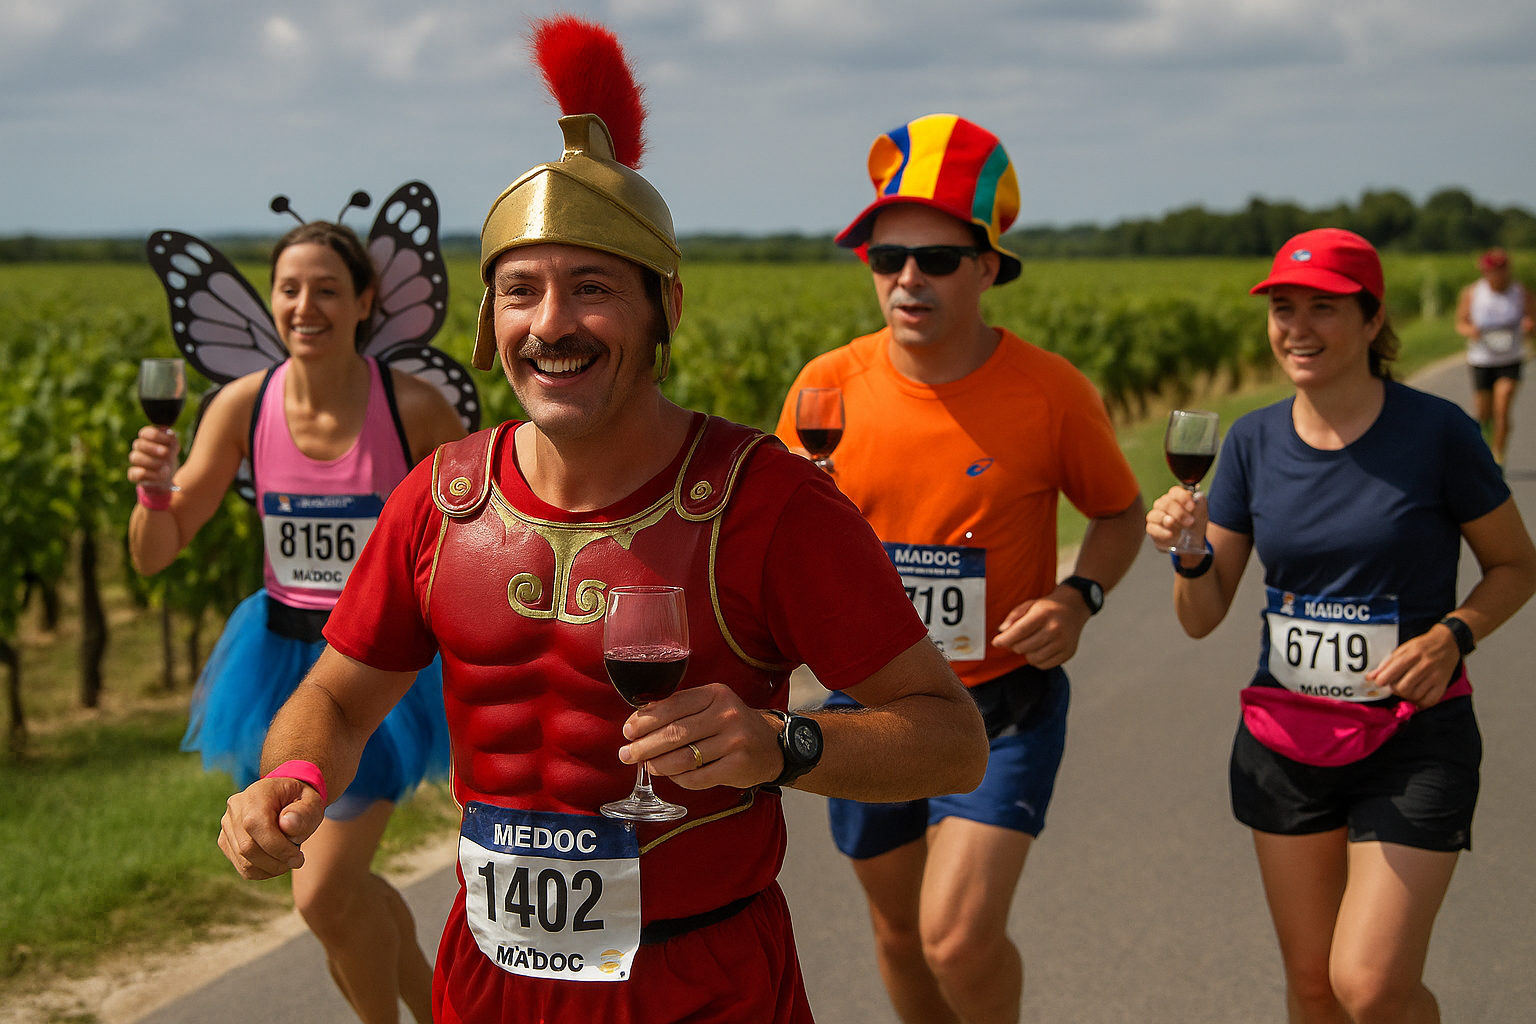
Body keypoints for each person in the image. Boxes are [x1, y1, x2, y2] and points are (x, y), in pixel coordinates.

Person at [213, 18, 988, 1024]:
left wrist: (783, 743)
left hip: (700, 982)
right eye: (521, 292)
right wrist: (295, 775)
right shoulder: (440, 499)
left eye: (592, 289)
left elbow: (950, 740)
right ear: (490, 324)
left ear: (665, 307)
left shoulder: (768, 502)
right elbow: (342, 697)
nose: (552, 324)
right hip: (490, 982)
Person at [775, 114, 1145, 1024]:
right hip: (871, 707)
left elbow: (1118, 512)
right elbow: (771, 545)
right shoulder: (828, 387)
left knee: (956, 937)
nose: (907, 278)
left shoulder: (1052, 391)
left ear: (987, 266)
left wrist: (1079, 595)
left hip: (1001, 706)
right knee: (900, 936)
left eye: (936, 259)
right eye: (885, 256)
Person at [1146, 228, 1536, 1024]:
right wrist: (1187, 555)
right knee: (1316, 988)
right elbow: (1202, 615)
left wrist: (1452, 635)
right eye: (1283, 308)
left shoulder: (1438, 434)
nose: (1297, 327)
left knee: (1372, 984)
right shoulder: (1252, 440)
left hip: (1412, 736)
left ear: (1371, 318)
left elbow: (1517, 567)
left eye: (1322, 307)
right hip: (1287, 743)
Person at [127, 220, 466, 1024]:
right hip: (276, 668)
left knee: (320, 894)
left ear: (364, 302)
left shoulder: (413, 408)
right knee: (337, 894)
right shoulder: (244, 405)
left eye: (326, 289)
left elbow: (474, 539)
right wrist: (153, 491)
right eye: (289, 288)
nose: (304, 305)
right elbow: (155, 552)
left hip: (379, 670)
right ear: (271, 299)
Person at [1455, 247, 1532, 466]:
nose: (1497, 275)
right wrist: (1471, 331)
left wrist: (1529, 325)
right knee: (1483, 413)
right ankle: (1482, 450)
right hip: (1482, 358)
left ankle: (1497, 455)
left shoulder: (1520, 293)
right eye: (1492, 271)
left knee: (1502, 405)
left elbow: (1532, 317)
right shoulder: (1472, 293)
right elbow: (1461, 322)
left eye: (1501, 270)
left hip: (1511, 357)